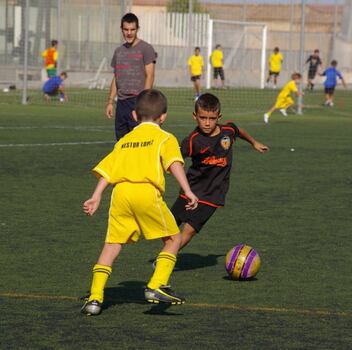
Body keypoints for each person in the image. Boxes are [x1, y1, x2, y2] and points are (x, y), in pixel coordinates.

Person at [81, 89, 198, 316]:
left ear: (134, 115)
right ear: (163, 117)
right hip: (146, 192)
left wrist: (96, 196)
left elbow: (108, 170)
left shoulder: (125, 140)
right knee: (174, 238)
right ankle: (156, 284)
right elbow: (175, 164)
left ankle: (95, 298)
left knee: (112, 245)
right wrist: (188, 190)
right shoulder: (165, 138)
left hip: (120, 194)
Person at [168, 93, 268, 252]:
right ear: (195, 116)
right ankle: (168, 251)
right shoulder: (193, 141)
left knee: (190, 230)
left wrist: (254, 142)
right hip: (191, 189)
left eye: (212, 118)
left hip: (213, 194)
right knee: (169, 226)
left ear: (218, 117)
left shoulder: (227, 132)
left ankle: (165, 259)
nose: (207, 123)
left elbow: (238, 130)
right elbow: (174, 159)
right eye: (203, 118)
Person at [106, 13, 156, 141]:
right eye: (126, 29)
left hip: (137, 103)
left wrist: (144, 102)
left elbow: (150, 75)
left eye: (132, 29)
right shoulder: (119, 51)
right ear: (121, 29)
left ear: (137, 29)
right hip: (121, 104)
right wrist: (110, 102)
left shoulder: (146, 48)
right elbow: (116, 77)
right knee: (122, 143)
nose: (129, 33)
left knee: (139, 143)